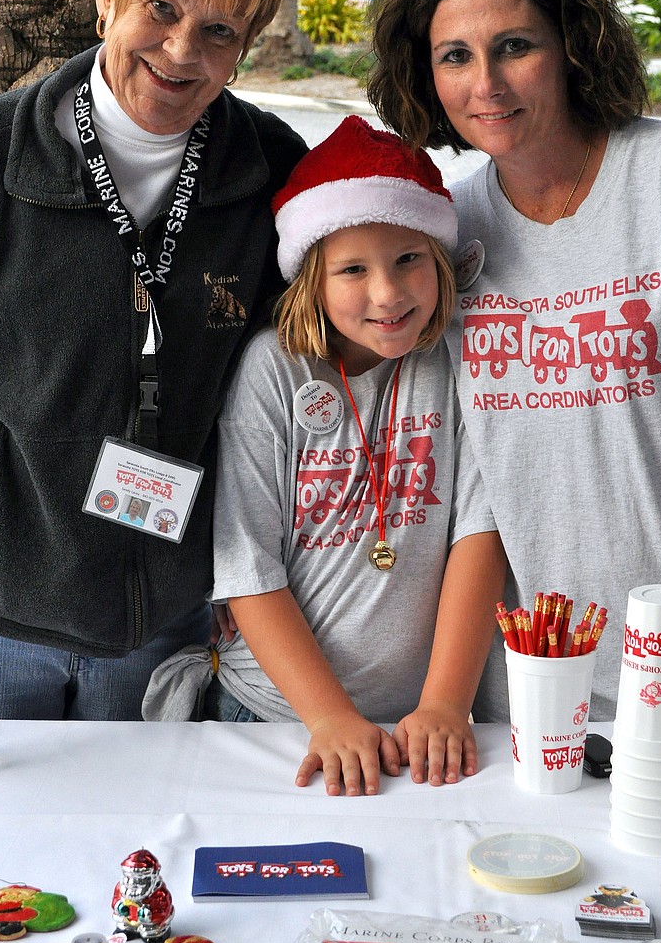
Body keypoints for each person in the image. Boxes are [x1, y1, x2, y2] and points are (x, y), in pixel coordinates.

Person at [0, 0, 306, 719]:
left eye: (220, 31)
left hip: (163, 631)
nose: (180, 51)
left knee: (140, 856)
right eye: (161, 7)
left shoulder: (274, 177)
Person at [366, 0, 661, 721]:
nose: (487, 85)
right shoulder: (442, 233)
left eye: (515, 45)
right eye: (455, 57)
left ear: (573, 43)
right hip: (536, 700)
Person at [192, 115, 505, 796]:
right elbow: (248, 565)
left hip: (419, 730)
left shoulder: (455, 362)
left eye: (408, 259)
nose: (388, 293)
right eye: (353, 269)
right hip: (276, 718)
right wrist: (328, 715)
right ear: (312, 278)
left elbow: (479, 535)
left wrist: (448, 702)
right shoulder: (273, 373)